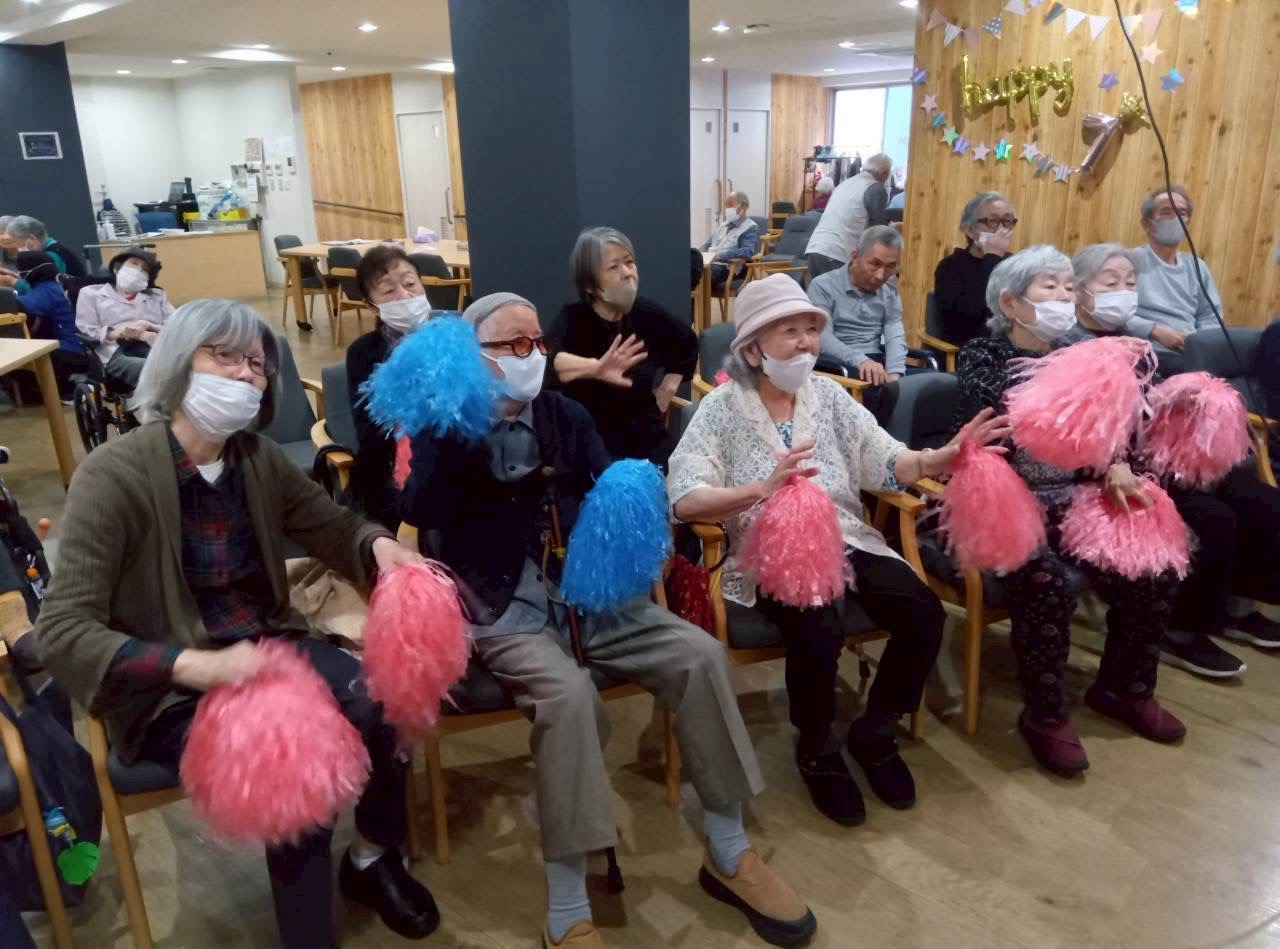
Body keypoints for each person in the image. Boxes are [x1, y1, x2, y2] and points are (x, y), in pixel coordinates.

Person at [403, 292, 815, 949]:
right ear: (470, 357)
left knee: (700, 655)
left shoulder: (565, 413)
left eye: (537, 342)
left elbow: (609, 488)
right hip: (503, 605)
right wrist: (463, 432)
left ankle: (728, 850)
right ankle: (568, 907)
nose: (532, 355)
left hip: (591, 594)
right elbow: (418, 510)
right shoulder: (444, 423)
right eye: (514, 345)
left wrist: (629, 499)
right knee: (569, 700)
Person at [35, 299, 440, 948]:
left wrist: (378, 546)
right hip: (172, 683)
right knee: (295, 755)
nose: (247, 374)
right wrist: (193, 665)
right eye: (225, 356)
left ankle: (370, 857)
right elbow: (63, 629)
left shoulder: (256, 458)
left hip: (264, 647)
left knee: (388, 698)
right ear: (178, 362)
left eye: (256, 364)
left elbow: (331, 525)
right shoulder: (111, 476)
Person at [669, 274, 1002, 826]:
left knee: (922, 611)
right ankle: (818, 745)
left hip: (845, 534)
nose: (805, 342)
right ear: (752, 349)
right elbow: (685, 498)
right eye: (789, 332)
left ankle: (876, 730)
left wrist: (935, 459)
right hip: (769, 549)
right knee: (817, 625)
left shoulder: (828, 396)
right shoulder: (721, 409)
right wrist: (759, 490)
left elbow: (883, 456)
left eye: (810, 330)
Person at [953, 245, 1187, 776]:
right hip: (1003, 502)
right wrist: (1090, 368)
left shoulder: (1078, 349)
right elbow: (1014, 411)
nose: (1064, 295)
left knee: (1153, 566)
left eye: (1067, 285)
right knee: (1048, 582)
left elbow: (1113, 424)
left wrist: (1116, 462)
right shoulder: (982, 355)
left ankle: (1124, 689)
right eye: (1050, 286)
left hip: (1072, 497)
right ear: (1011, 303)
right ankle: (1044, 714)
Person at [1071, 244, 1280, 674]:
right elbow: (1082, 424)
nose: (1124, 290)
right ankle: (1181, 629)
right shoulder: (1070, 346)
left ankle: (1234, 609)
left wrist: (1177, 401)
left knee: (1260, 499)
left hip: (1153, 454)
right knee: (1213, 517)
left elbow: (1148, 407)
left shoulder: (1139, 346)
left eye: (1131, 282)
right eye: (1111, 283)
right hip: (1107, 467)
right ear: (1079, 291)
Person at [545, 227, 697, 469]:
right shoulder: (573, 319)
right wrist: (595, 368)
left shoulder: (644, 313)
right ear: (590, 285)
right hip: (593, 443)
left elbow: (686, 342)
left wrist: (667, 389)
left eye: (629, 262)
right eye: (614, 267)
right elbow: (550, 361)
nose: (627, 273)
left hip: (648, 437)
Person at [346, 244, 433, 531]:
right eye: (388, 291)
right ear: (372, 306)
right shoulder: (363, 353)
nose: (405, 296)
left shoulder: (451, 338)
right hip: (390, 474)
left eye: (410, 284)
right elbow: (370, 433)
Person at [1128, 185, 1222, 376]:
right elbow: (1113, 313)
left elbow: (1210, 318)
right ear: (1147, 224)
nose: (1176, 218)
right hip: (1146, 353)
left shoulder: (1197, 266)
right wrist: (1154, 330)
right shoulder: (1129, 261)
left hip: (1191, 354)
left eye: (1182, 213)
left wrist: (1198, 344)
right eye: (1166, 212)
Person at [76, 246, 174, 389]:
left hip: (153, 346)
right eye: (134, 263)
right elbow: (87, 330)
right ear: (117, 268)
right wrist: (122, 333)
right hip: (114, 350)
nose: (139, 270)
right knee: (152, 370)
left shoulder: (157, 296)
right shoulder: (91, 294)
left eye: (145, 269)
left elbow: (177, 325)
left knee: (180, 365)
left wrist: (149, 326)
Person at [931, 191, 1016, 345]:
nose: (1002, 230)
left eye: (1007, 221)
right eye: (993, 221)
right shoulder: (950, 267)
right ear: (969, 230)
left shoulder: (1016, 264)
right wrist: (992, 258)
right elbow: (969, 321)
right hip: (971, 348)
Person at [804, 153, 892, 278]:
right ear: (884, 173)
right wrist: (893, 231)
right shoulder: (875, 188)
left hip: (815, 248)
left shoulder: (844, 184)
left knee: (820, 291)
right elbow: (878, 229)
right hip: (837, 254)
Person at [14, 251, 88, 399]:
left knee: (17, 357)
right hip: (86, 346)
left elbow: (15, 305)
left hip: (73, 351)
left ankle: (63, 390)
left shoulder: (47, 290)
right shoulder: (63, 282)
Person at [700, 191, 759, 293]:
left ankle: (697, 303)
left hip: (726, 267)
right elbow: (708, 244)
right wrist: (699, 253)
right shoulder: (723, 225)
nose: (727, 209)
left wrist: (720, 255)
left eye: (730, 205)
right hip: (708, 263)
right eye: (726, 205)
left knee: (700, 276)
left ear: (743, 207)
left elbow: (747, 251)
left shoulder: (751, 227)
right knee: (689, 270)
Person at [4, 216, 85, 278]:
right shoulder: (51, 250)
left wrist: (14, 282)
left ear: (32, 238)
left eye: (19, 244)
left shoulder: (52, 255)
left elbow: (46, 288)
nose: (18, 249)